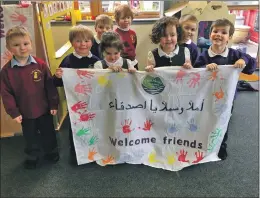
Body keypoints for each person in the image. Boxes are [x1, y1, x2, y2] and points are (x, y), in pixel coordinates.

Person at [193, 18, 256, 160]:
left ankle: (221, 145)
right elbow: (195, 73)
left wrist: (243, 61)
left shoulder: (234, 54)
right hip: (207, 97)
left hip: (227, 98)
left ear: (229, 37)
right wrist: (205, 68)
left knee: (223, 121)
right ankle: (204, 143)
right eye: (215, 31)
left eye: (224, 32)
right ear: (210, 34)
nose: (218, 34)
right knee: (206, 119)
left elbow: (251, 66)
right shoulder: (203, 55)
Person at [0, 26, 59, 169]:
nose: (22, 48)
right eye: (16, 45)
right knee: (30, 136)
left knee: (48, 132)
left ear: (31, 44)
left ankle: (51, 152)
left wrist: (53, 104)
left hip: (44, 108)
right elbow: (6, 93)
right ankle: (33, 156)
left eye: (26, 44)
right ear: (8, 47)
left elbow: (49, 86)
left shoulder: (40, 65)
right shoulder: (6, 71)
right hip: (25, 112)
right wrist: (14, 112)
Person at [53, 25, 99, 163]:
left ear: (92, 42)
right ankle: (76, 153)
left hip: (92, 102)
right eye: (78, 41)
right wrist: (58, 76)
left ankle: (94, 151)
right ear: (72, 43)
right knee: (76, 127)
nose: (83, 44)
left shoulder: (96, 60)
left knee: (93, 126)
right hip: (75, 104)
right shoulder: (67, 61)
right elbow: (57, 83)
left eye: (86, 40)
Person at [114, 4, 138, 70]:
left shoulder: (133, 33)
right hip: (121, 63)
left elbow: (134, 46)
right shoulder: (115, 34)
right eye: (123, 18)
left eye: (128, 17)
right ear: (117, 20)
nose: (126, 20)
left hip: (133, 62)